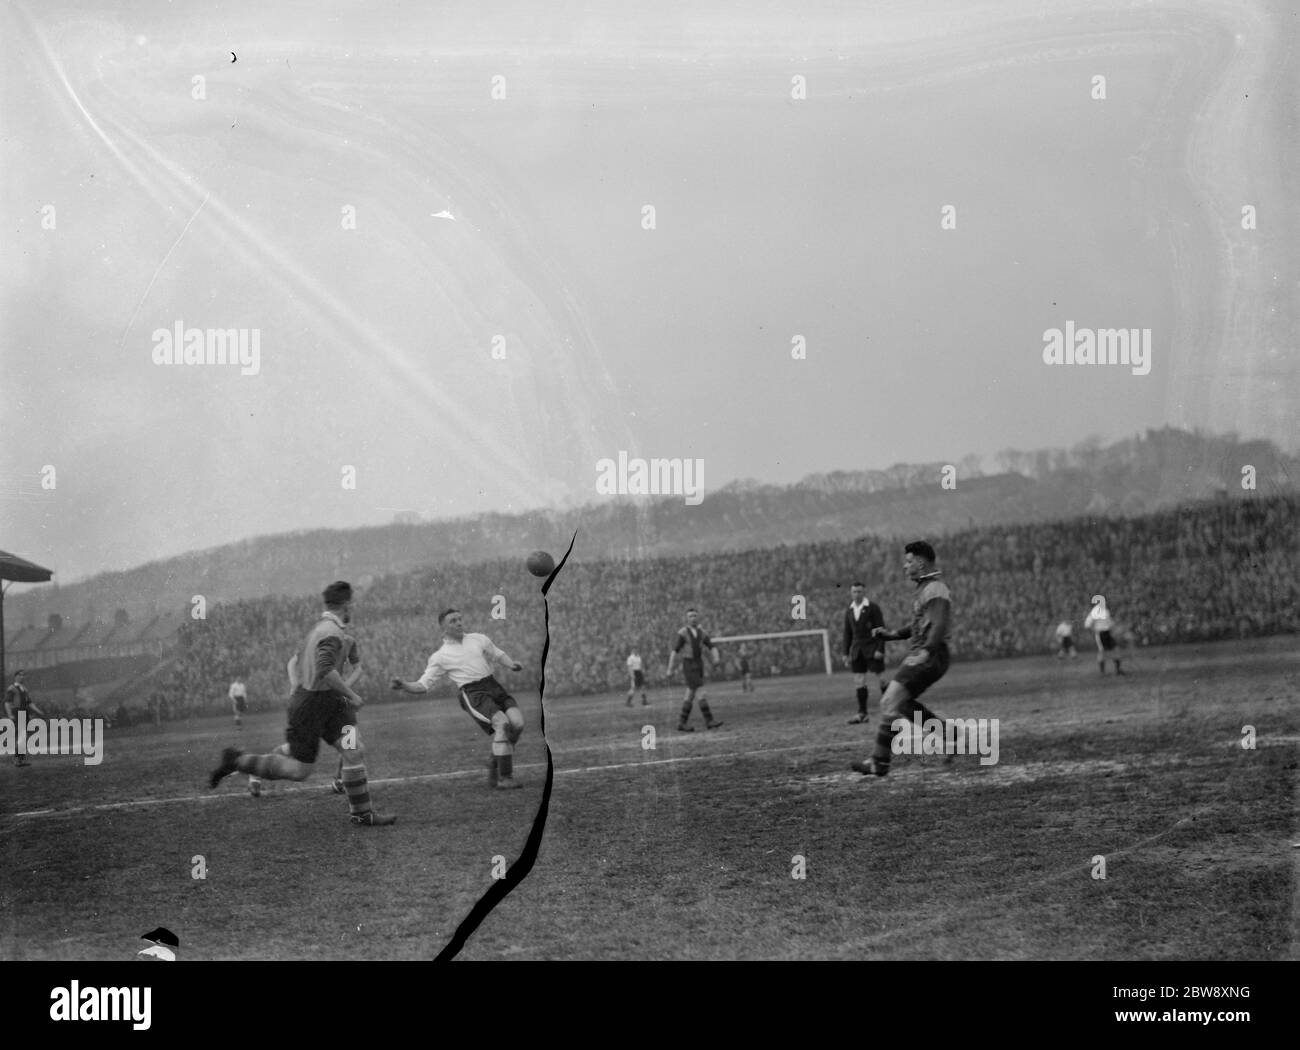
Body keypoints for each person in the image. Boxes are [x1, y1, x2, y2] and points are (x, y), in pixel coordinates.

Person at [207, 581, 396, 826]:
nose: (353, 608)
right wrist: (352, 695)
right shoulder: (331, 632)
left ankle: (362, 814)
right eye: (352, 604)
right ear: (347, 604)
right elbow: (325, 670)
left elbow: (295, 662)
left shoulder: (320, 630)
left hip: (333, 706)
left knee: (353, 749)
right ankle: (236, 761)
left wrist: (297, 684)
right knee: (299, 770)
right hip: (312, 706)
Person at [390, 609, 527, 790]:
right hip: (473, 693)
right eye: (453, 621)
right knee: (501, 724)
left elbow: (497, 653)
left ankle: (495, 760)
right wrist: (404, 685)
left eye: (460, 619)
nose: (459, 623)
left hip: (493, 686)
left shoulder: (478, 638)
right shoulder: (440, 656)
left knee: (517, 724)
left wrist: (512, 664)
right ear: (443, 629)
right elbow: (423, 685)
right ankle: (505, 778)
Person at [851, 541, 952, 778]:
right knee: (902, 704)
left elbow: (938, 623)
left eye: (908, 562)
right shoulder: (926, 588)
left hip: (929, 654)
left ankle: (879, 762)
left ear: (920, 562)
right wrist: (891, 635)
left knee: (889, 700)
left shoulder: (935, 589)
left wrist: (926, 651)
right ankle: (948, 735)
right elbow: (918, 625)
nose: (905, 567)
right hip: (929, 653)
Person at [666, 608, 723, 732]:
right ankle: (709, 720)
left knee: (690, 694)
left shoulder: (702, 632)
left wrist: (716, 658)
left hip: (699, 664)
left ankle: (682, 722)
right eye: (691, 616)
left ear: (698, 617)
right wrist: (670, 668)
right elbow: (675, 651)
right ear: (687, 618)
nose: (693, 618)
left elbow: (711, 646)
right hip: (689, 664)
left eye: (695, 615)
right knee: (700, 691)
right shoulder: (683, 633)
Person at [842, 581, 886, 723]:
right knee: (859, 681)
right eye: (854, 592)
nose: (856, 594)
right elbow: (847, 633)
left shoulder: (873, 608)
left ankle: (891, 710)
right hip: (857, 650)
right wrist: (845, 652)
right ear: (851, 593)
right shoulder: (849, 611)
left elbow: (880, 629)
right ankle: (862, 713)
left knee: (882, 678)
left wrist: (880, 648)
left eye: (859, 591)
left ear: (864, 592)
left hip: (872, 648)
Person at [4, 670, 45, 767]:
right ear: (16, 677)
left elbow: (29, 703)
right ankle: (17, 759)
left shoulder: (24, 689)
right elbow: (7, 702)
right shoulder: (12, 688)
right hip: (17, 712)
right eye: (20, 675)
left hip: (24, 713)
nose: (22, 677)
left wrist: (39, 711)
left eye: (23, 675)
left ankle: (20, 759)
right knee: (22, 735)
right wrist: (10, 714)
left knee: (24, 735)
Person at [1084, 597, 1125, 674]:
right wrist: (1094, 630)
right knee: (1102, 652)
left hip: (1107, 633)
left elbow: (1110, 623)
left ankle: (1118, 670)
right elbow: (1087, 624)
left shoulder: (1106, 610)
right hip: (1100, 634)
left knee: (1116, 649)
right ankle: (1102, 672)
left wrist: (1115, 628)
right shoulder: (1095, 611)